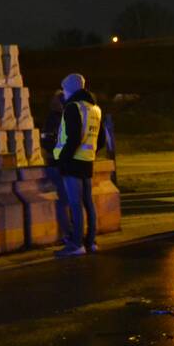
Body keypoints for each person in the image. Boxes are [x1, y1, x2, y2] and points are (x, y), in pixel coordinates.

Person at [54, 73, 105, 257]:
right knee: (88, 202)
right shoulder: (95, 109)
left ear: (70, 90)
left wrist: (63, 160)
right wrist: (89, 152)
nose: (64, 94)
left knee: (75, 204)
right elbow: (101, 141)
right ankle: (90, 241)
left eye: (65, 90)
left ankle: (76, 244)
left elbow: (73, 137)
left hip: (72, 163)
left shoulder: (72, 108)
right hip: (87, 161)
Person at [40, 89, 72, 246]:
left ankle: (69, 233)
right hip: (60, 164)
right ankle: (68, 234)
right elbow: (47, 140)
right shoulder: (56, 118)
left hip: (59, 163)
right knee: (66, 200)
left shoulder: (55, 117)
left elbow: (46, 140)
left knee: (66, 200)